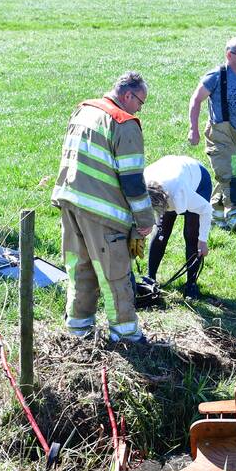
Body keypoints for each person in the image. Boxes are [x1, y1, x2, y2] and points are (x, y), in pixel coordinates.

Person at [51, 72, 155, 343]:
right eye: (140, 102)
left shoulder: (84, 109)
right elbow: (132, 179)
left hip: (70, 200)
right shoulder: (124, 123)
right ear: (127, 96)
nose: (140, 108)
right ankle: (125, 333)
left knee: (80, 268)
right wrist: (145, 218)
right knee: (115, 274)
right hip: (102, 212)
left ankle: (78, 329)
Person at [187, 37, 236, 245]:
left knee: (235, 177)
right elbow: (196, 99)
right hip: (222, 135)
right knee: (232, 176)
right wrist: (193, 129)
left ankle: (215, 216)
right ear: (228, 55)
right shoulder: (217, 75)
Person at [142, 155, 213, 300]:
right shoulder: (141, 185)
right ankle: (150, 278)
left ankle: (191, 285)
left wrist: (203, 241)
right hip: (169, 172)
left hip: (198, 180)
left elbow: (206, 210)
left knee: (192, 233)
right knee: (161, 231)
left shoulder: (181, 193)